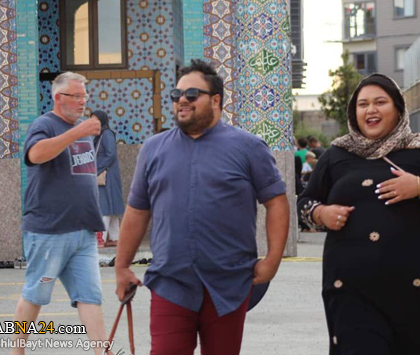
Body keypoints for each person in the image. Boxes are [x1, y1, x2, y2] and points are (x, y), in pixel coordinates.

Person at [114, 59, 290, 355]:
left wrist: (272, 261)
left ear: (216, 100)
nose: (182, 100)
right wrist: (121, 266)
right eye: (177, 94)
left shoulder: (249, 147)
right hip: (170, 282)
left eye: (192, 94)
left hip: (228, 284)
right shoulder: (153, 149)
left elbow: (277, 203)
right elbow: (137, 211)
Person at [298, 73, 420, 354]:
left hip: (415, 288)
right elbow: (305, 202)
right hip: (351, 290)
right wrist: (321, 213)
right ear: (354, 112)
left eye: (380, 102)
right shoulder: (337, 155)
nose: (371, 110)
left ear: (398, 108)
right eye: (363, 104)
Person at [11, 72, 112, 355]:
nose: (82, 102)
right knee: (36, 294)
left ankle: (102, 351)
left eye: (84, 96)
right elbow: (35, 155)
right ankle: (16, 351)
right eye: (76, 96)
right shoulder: (45, 124)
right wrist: (77, 133)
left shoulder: (81, 128)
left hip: (83, 232)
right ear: (58, 97)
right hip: (50, 231)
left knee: (90, 297)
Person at [91, 110, 125, 248]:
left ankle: (101, 238)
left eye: (96, 120)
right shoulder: (100, 135)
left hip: (106, 175)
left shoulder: (106, 134)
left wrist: (96, 169)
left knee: (104, 206)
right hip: (106, 174)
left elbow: (111, 154)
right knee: (111, 206)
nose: (93, 123)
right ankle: (116, 238)